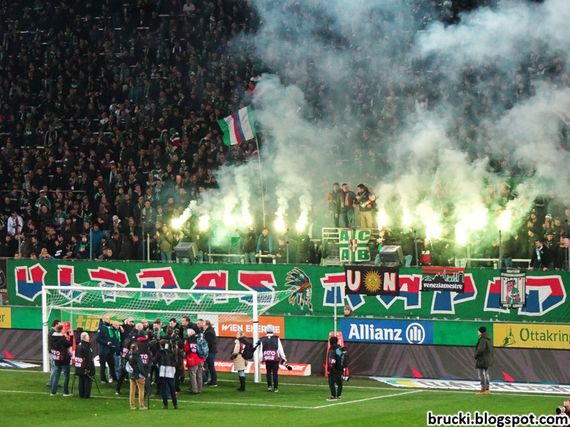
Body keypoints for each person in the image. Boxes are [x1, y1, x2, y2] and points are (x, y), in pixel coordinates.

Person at [256, 324, 287, 392]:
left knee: (268, 372)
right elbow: (280, 349)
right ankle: (275, 388)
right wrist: (283, 357)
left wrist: (260, 359)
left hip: (267, 358)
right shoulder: (276, 338)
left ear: (266, 330)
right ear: (273, 330)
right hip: (275, 358)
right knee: (275, 373)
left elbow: (261, 350)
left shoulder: (262, 339)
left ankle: (269, 386)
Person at [49, 324, 72, 396]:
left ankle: (53, 392)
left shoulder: (52, 337)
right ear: (61, 330)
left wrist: (65, 335)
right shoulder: (62, 338)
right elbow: (69, 344)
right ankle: (65, 392)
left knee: (56, 375)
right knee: (66, 376)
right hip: (64, 359)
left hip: (56, 358)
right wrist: (71, 336)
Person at [157, 339, 178, 409]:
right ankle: (175, 404)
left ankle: (165, 404)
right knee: (172, 388)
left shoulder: (160, 352)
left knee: (164, 389)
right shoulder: (172, 352)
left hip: (163, 372)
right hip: (171, 372)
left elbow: (156, 360)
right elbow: (175, 362)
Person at [96, 315, 117, 384]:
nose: (108, 320)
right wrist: (106, 343)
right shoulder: (101, 327)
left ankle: (114, 378)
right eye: (107, 319)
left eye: (109, 319)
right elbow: (97, 339)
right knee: (103, 366)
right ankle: (103, 379)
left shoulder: (109, 327)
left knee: (112, 365)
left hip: (109, 350)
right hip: (103, 350)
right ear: (103, 319)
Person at [184, 328, 205, 394]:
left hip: (193, 358)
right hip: (201, 358)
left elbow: (186, 349)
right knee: (199, 374)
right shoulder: (200, 338)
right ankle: (199, 389)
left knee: (193, 374)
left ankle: (194, 390)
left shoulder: (189, 340)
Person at [74, 332, 95, 399]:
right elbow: (89, 357)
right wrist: (89, 367)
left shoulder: (78, 345)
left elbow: (76, 355)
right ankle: (86, 395)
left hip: (79, 366)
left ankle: (81, 394)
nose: (89, 337)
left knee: (81, 380)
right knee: (87, 380)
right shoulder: (86, 346)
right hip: (85, 366)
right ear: (85, 338)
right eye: (88, 336)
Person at [128, 342, 147, 410]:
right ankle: (141, 405)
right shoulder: (137, 356)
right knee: (141, 390)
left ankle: (132, 405)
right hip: (138, 375)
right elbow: (140, 367)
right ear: (136, 348)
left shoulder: (129, 355)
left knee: (132, 391)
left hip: (131, 374)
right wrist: (145, 375)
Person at [198, 319, 218, 386]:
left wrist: (204, 350)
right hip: (210, 351)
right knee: (208, 366)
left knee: (211, 366)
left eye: (204, 325)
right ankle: (208, 380)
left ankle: (213, 382)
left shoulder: (209, 332)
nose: (202, 326)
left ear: (207, 325)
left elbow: (208, 343)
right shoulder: (209, 331)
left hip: (210, 351)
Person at [474, 326, 493, 395]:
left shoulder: (482, 339)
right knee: (486, 374)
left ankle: (483, 390)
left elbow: (480, 350)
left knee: (482, 374)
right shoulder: (487, 339)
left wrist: (476, 355)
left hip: (482, 359)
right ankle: (487, 389)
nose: (477, 332)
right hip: (486, 359)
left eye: (478, 331)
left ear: (481, 331)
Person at [327, 337, 344, 401]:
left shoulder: (332, 349)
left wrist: (330, 368)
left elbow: (332, 359)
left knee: (331, 382)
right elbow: (342, 358)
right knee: (339, 382)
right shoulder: (340, 349)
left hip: (334, 368)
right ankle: (338, 395)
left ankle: (334, 395)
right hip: (340, 368)